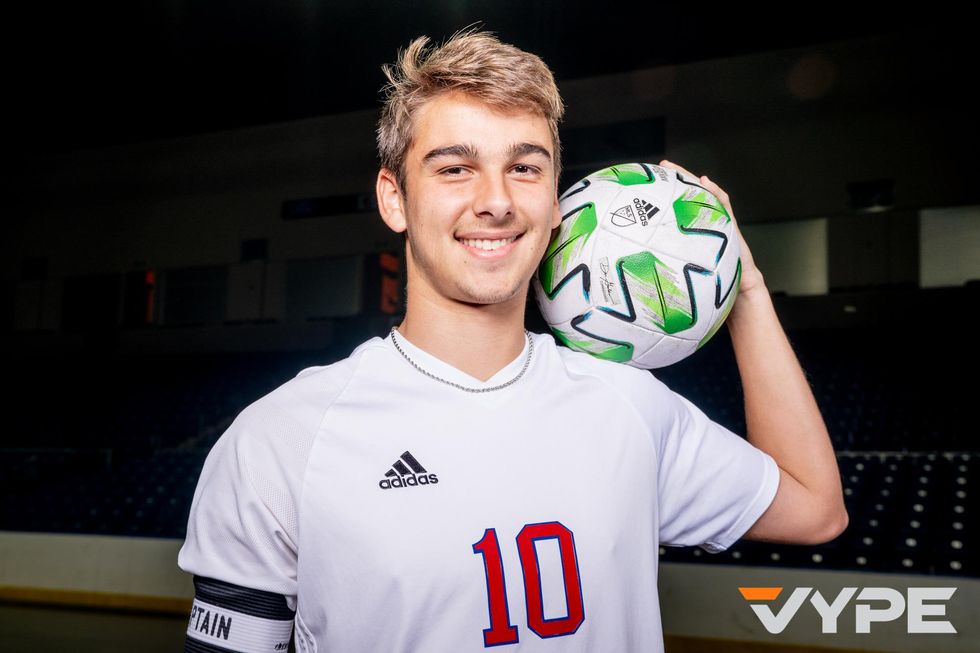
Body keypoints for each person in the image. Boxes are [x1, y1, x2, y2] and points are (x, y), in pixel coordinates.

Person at [177, 27, 847, 652]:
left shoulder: (631, 406)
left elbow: (815, 510)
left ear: (558, 199)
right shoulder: (280, 440)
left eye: (525, 167)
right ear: (394, 198)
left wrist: (744, 288)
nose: (496, 200)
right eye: (454, 168)